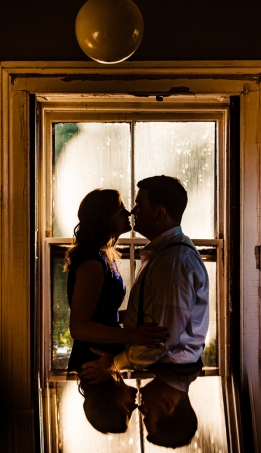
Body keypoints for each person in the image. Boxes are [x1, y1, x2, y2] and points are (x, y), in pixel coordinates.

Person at [80, 176, 209, 379]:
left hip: (168, 371)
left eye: (139, 205)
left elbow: (161, 338)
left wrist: (115, 364)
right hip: (159, 367)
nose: (132, 211)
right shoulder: (164, 255)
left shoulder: (171, 262)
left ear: (159, 213)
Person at [64, 188, 167, 433]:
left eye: (126, 411)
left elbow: (102, 313)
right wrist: (132, 334)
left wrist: (135, 320)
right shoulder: (91, 264)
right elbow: (78, 327)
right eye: (119, 208)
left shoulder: (102, 258)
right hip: (93, 355)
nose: (128, 212)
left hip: (96, 355)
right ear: (103, 216)